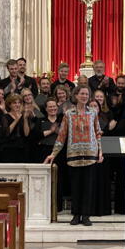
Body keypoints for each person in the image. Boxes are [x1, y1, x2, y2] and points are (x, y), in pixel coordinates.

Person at [45, 86, 103, 227]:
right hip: (73, 155)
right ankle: (76, 214)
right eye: (82, 94)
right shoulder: (68, 114)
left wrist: (100, 151)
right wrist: (53, 153)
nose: (84, 96)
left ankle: (86, 215)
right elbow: (62, 134)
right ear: (76, 95)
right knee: (76, 186)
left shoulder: (93, 113)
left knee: (88, 186)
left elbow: (97, 133)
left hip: (90, 154)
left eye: (86, 94)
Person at [1, 94, 32, 163]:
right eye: (14, 103)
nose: (17, 105)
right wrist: (16, 119)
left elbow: (26, 134)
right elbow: (7, 133)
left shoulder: (24, 116)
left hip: (22, 148)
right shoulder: (5, 117)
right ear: (9, 105)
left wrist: (25, 118)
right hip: (9, 148)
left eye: (19, 103)